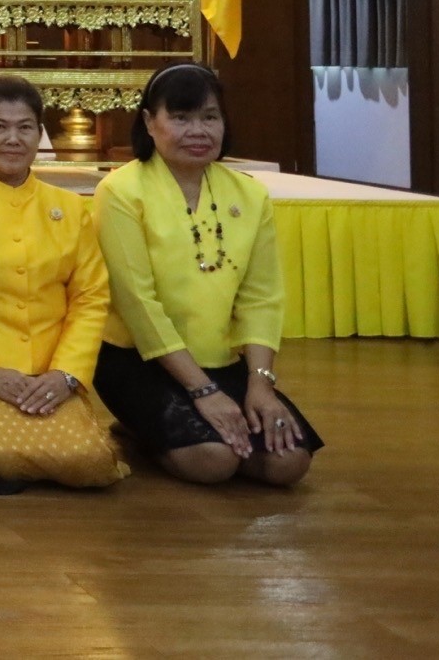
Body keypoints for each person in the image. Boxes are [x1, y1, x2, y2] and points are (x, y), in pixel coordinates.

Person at [94, 63, 319, 487]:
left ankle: (199, 431)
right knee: (214, 462)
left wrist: (260, 385)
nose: (198, 131)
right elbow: (137, 303)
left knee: (288, 464)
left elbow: (262, 297)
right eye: (181, 118)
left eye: (209, 117)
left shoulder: (249, 194)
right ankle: (141, 430)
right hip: (137, 360)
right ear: (149, 122)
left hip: (219, 359)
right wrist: (203, 392)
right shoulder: (121, 191)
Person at [0, 76, 128, 490]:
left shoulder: (70, 208)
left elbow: (90, 298)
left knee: (92, 462)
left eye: (25, 127)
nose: (13, 139)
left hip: (50, 371)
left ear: (39, 135)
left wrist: (65, 373)